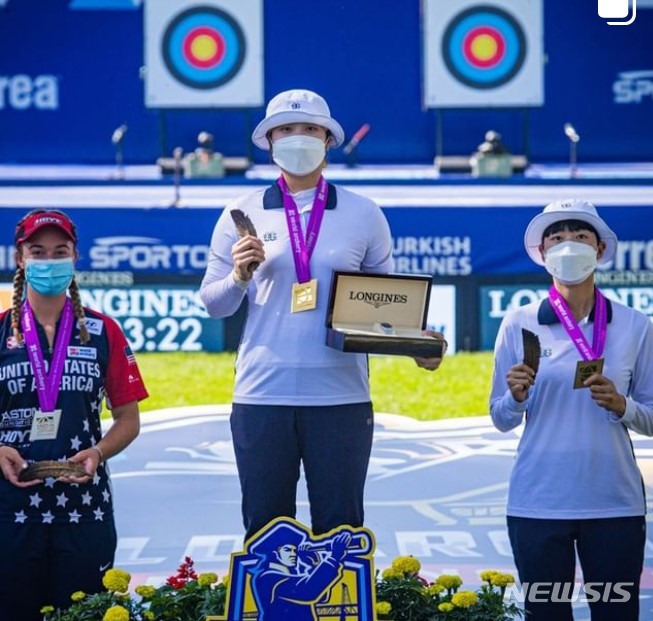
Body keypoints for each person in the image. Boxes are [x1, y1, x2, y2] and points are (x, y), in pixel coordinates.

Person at [200, 89, 445, 540]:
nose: (299, 138)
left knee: (342, 533)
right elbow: (215, 304)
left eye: (310, 129)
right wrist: (238, 276)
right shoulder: (241, 212)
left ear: (328, 141)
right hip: (262, 394)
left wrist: (416, 343)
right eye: (287, 129)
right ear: (270, 140)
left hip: (341, 396)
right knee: (265, 532)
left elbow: (384, 305)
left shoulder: (364, 213)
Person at [490, 199, 653, 621]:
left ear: (600, 250)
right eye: (557, 238)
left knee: (617, 615)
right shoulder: (518, 323)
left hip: (614, 504)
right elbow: (501, 417)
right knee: (546, 616)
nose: (568, 245)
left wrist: (623, 406)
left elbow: (652, 417)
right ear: (542, 253)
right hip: (538, 504)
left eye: (580, 236)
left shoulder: (635, 325)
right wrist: (516, 399)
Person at [0, 209, 148, 620]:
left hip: (85, 510)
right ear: (20, 258)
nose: (49, 260)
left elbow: (128, 418)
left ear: (75, 256)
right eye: (38, 251)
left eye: (59, 251)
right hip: (10, 511)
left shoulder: (104, 332)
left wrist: (98, 453)